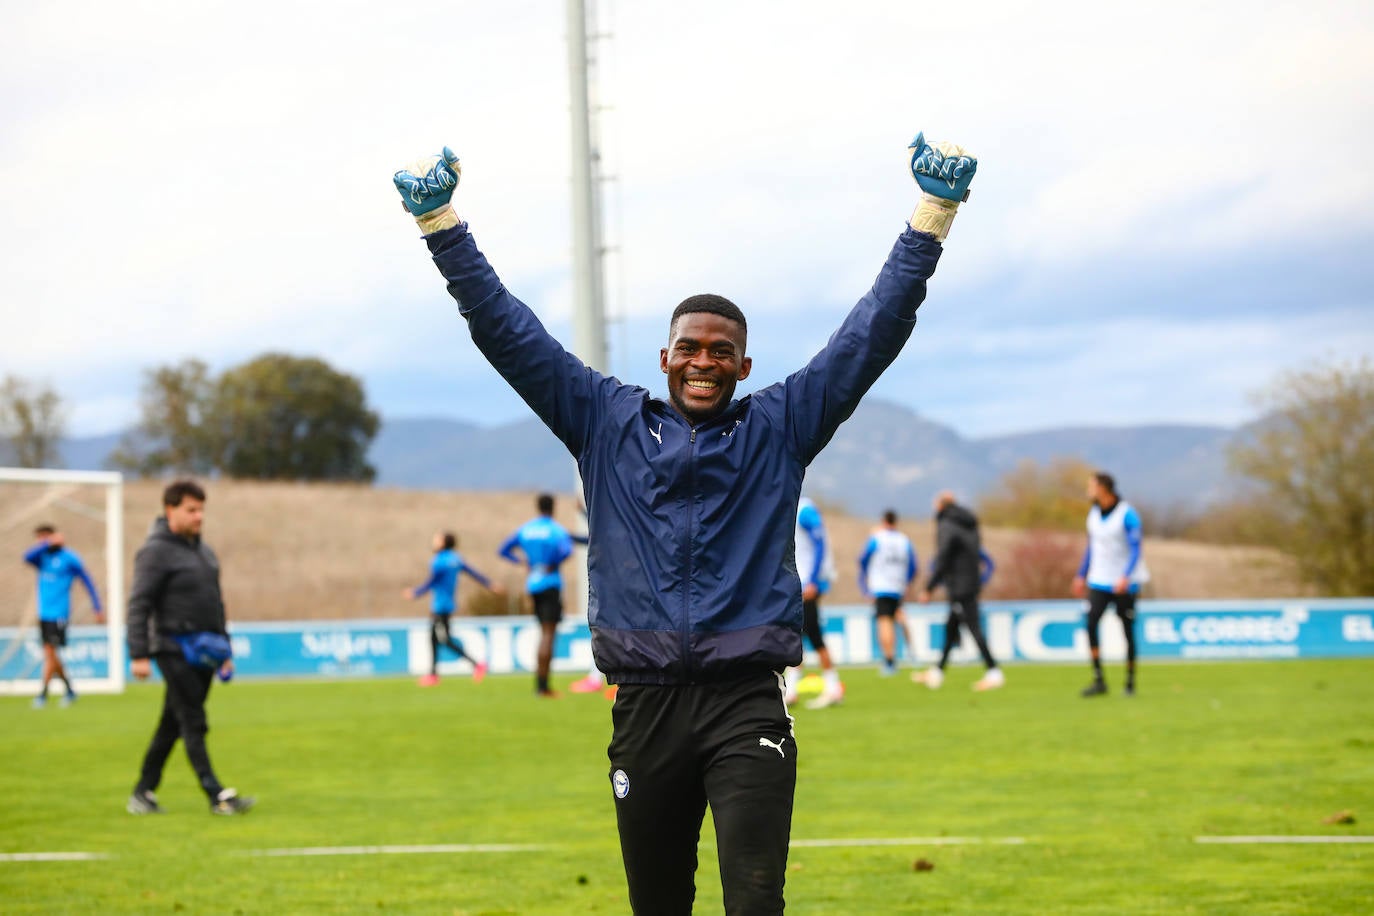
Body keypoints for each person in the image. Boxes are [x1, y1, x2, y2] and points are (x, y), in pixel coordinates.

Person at [394, 130, 975, 914]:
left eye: (721, 351)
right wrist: (442, 227)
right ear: (665, 358)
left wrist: (932, 215)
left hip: (746, 701)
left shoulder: (781, 426)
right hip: (644, 704)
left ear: (743, 365)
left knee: (755, 900)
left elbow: (872, 334)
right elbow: (508, 331)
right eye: (689, 349)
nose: (704, 361)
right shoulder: (603, 418)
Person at [126, 480, 254, 816]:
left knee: (172, 723)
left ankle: (142, 792)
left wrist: (225, 651)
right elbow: (139, 603)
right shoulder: (155, 551)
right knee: (193, 720)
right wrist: (138, 653)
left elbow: (216, 603)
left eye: (202, 510)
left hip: (205, 651)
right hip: (172, 647)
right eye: (191, 510)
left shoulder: (203, 551)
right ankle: (216, 795)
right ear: (171, 510)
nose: (199, 517)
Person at [913, 491, 1004, 691]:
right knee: (951, 628)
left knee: (973, 628)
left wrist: (929, 588)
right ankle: (937, 672)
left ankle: (994, 672)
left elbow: (943, 558)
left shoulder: (947, 525)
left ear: (941, 506)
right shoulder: (969, 523)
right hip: (971, 581)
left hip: (959, 586)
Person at [1071, 471, 1149, 697]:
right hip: (1099, 580)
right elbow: (1091, 547)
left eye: (1091, 486)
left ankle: (1130, 682)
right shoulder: (1094, 513)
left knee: (1127, 629)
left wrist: (1126, 576)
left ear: (1103, 488)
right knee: (1091, 623)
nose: (1088, 490)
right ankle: (1099, 679)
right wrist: (1081, 574)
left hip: (1124, 582)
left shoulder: (1127, 514)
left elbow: (1136, 548)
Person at [499, 493, 577, 697]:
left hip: (533, 583)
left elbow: (504, 549)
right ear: (553, 507)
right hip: (550, 583)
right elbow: (568, 551)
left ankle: (540, 685)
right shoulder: (555, 530)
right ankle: (543, 687)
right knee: (548, 634)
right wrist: (553, 564)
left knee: (542, 632)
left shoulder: (527, 529)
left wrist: (522, 562)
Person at [23, 524, 104, 707]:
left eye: (45, 537)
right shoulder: (41, 557)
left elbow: (88, 582)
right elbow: (26, 557)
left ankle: (43, 694)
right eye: (39, 539)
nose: (41, 542)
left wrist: (97, 607)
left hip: (59, 613)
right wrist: (46, 544)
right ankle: (69, 690)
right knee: (51, 654)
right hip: (43, 613)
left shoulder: (69, 558)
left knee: (50, 653)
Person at [402, 531, 497, 686]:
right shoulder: (456, 559)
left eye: (437, 540)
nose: (434, 542)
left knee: (444, 639)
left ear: (443, 543)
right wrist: (489, 584)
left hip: (440, 606)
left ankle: (476, 665)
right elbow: (474, 573)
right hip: (448, 604)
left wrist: (415, 593)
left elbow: (431, 582)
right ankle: (433, 674)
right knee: (434, 638)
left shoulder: (438, 561)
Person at [783, 497, 844, 709]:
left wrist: (814, 580)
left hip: (808, 584)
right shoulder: (796, 508)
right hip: (801, 583)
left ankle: (833, 687)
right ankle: (791, 690)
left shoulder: (804, 510)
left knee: (812, 634)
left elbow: (820, 543)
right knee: (799, 634)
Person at [858, 509, 918, 675]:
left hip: (881, 586)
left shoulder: (877, 538)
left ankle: (890, 661)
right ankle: (911, 651)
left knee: (885, 622)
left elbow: (863, 559)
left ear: (883, 521)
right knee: (899, 616)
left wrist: (865, 581)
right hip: (898, 586)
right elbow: (914, 565)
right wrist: (907, 582)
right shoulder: (904, 540)